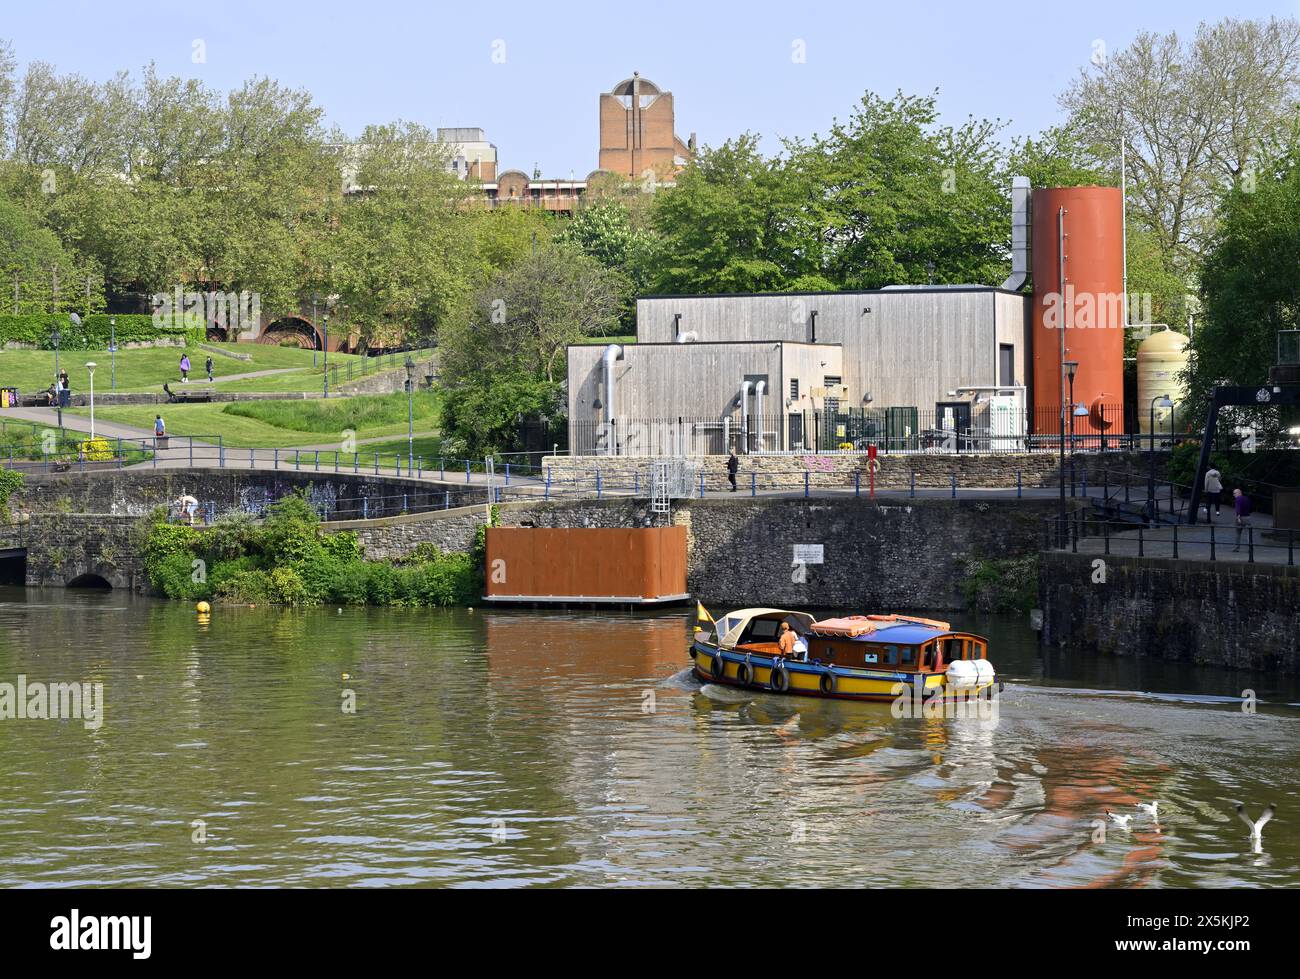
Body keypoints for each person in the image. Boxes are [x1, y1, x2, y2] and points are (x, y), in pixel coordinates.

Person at [1232, 488, 1252, 552]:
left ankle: (1237, 548)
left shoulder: (1238, 499)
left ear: (1239, 493)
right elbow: (1250, 507)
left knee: (1238, 533)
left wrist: (1238, 517)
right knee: (1248, 533)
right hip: (1247, 517)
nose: (1233, 495)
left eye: (1234, 493)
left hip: (1240, 517)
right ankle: (1250, 547)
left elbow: (1238, 508)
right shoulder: (1246, 498)